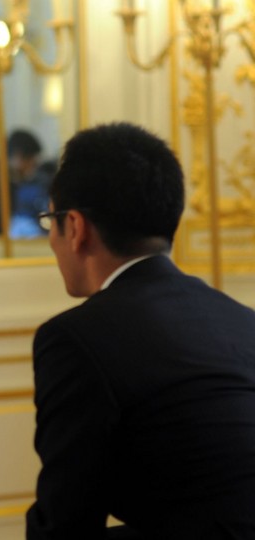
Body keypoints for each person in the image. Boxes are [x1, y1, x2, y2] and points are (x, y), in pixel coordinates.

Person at [27, 122, 255, 539]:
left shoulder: (75, 339)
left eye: (49, 221)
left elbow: (67, 521)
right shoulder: (242, 320)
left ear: (75, 227)